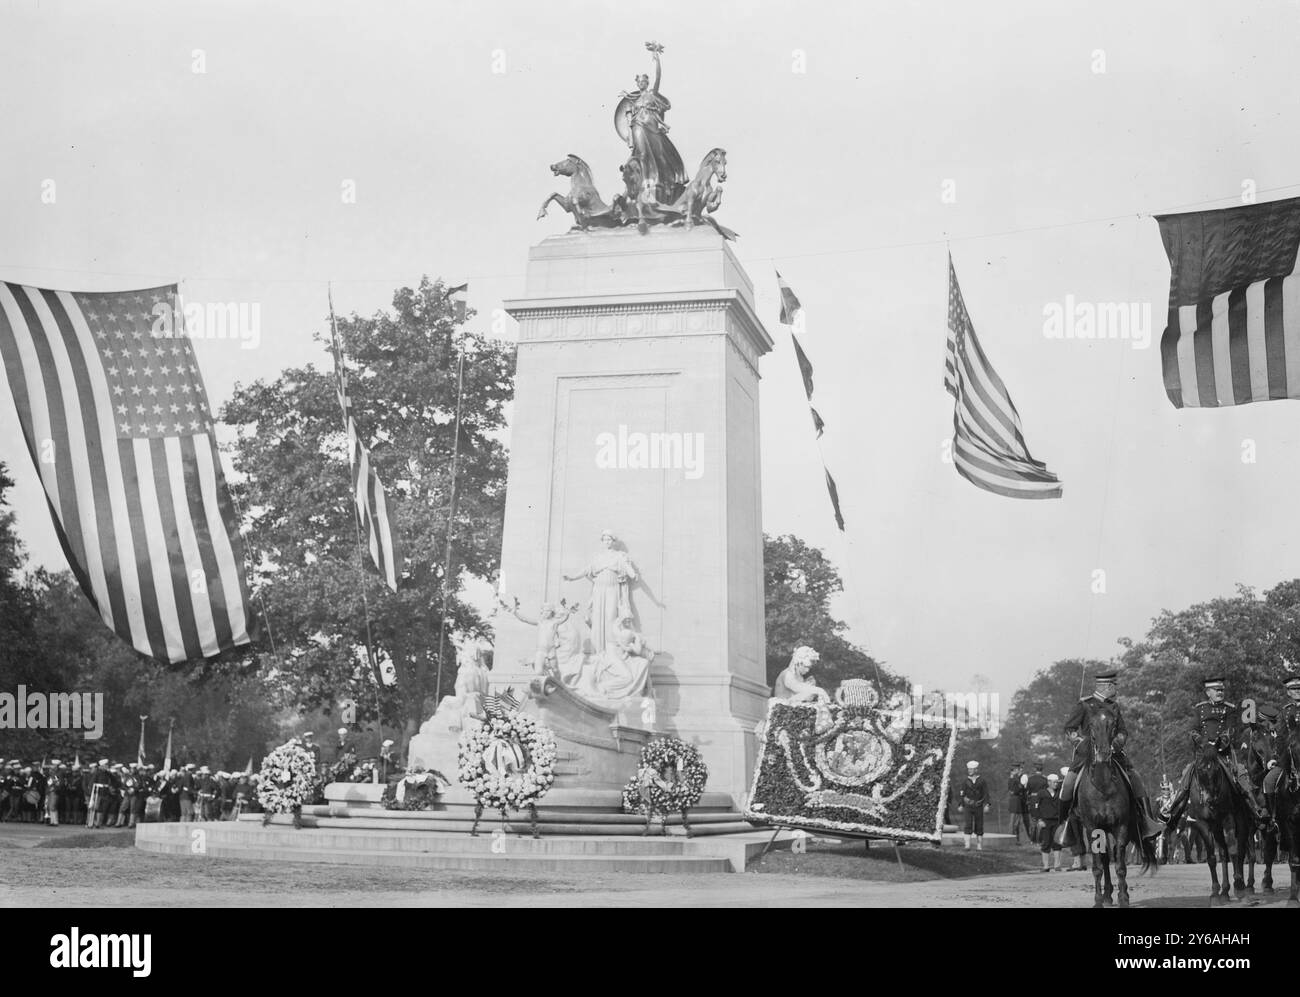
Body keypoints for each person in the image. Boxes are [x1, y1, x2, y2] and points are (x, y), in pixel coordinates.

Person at [1060, 670, 1164, 843]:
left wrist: (1115, 744)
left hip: (1113, 755)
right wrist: (1084, 744)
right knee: (1068, 784)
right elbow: (1069, 730)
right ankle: (1064, 827)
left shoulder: (1114, 707)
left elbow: (1122, 731)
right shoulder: (1085, 705)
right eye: (1114, 685)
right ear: (1107, 686)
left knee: (1136, 779)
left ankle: (1146, 822)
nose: (1116, 688)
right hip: (1087, 756)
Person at [1162, 676, 1270, 826]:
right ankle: (1172, 811)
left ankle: (1256, 810)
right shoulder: (1199, 709)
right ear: (1208, 692)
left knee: (1240, 775)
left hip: (1223, 753)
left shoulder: (1230, 708)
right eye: (1217, 690)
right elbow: (1193, 730)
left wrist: (1220, 742)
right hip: (1204, 753)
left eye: (1222, 690)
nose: (1220, 692)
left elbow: (1231, 730)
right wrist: (1203, 743)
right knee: (1186, 777)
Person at [616, 42, 687, 203]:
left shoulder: (652, 94)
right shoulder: (635, 100)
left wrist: (657, 60)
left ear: (646, 83)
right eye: (639, 82)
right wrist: (628, 96)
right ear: (637, 84)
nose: (642, 84)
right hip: (639, 127)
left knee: (660, 155)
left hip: (653, 128)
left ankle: (664, 180)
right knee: (641, 154)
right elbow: (630, 111)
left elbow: (658, 78)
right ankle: (643, 181)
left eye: (644, 82)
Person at [563, 530, 638, 657]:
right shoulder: (598, 557)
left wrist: (633, 574)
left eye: (609, 539)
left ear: (613, 541)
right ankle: (598, 650)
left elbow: (626, 567)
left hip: (612, 588)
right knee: (597, 618)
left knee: (611, 617)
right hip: (599, 589)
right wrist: (572, 577)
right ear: (602, 542)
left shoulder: (619, 555)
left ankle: (611, 650)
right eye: (605, 539)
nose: (607, 542)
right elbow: (587, 569)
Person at [1263, 675, 1300, 822]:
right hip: (1290, 757)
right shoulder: (1285, 712)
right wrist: (1275, 757)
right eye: (1293, 689)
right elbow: (1280, 738)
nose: (1297, 691)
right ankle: (1273, 818)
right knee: (1268, 781)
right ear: (1288, 692)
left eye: (1299, 688)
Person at [1031, 773, 1066, 871]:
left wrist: (1063, 820)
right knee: (1046, 843)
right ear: (1049, 782)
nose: (1056, 784)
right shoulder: (1041, 793)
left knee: (1057, 843)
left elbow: (1063, 807)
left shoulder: (1060, 793)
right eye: (1054, 782)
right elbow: (1036, 807)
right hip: (1045, 821)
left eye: (1057, 782)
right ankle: (1046, 866)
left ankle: (1057, 865)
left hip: (1057, 821)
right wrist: (1039, 819)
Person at [957, 760, 991, 850]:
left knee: (979, 825)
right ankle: (967, 845)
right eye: (969, 769)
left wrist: (987, 805)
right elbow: (962, 793)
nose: (970, 771)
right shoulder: (965, 781)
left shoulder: (982, 781)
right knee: (968, 824)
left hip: (978, 806)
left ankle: (979, 845)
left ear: (976, 770)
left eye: (971, 769)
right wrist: (960, 804)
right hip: (968, 806)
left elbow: (986, 793)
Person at [1006, 762, 1028, 844]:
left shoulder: (1022, 777)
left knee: (1016, 822)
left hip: (1018, 800)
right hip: (1015, 801)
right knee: (1013, 822)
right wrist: (1012, 777)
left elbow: (1018, 789)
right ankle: (1012, 839)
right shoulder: (1013, 778)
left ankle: (1016, 839)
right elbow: (1011, 789)